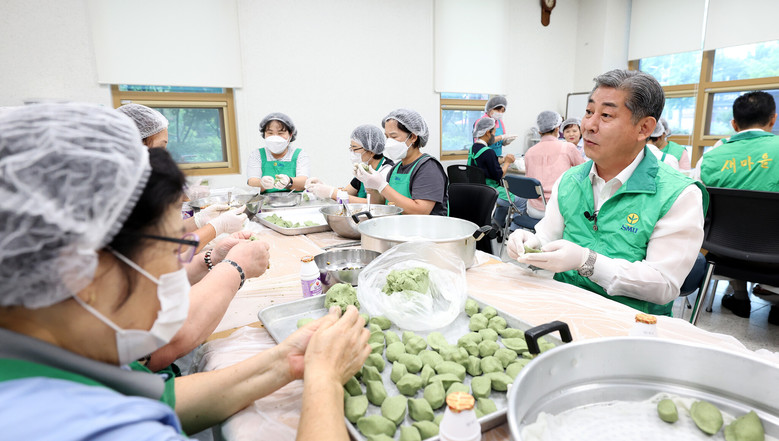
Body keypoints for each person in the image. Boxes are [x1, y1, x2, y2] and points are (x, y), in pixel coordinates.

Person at [0, 103, 370, 440]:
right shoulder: (89, 428)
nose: (179, 266)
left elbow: (158, 397)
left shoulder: (56, 352)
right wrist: (324, 381)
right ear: (81, 271)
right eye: (169, 248)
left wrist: (286, 362)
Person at [507, 69, 708, 316]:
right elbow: (548, 236)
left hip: (628, 322)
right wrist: (532, 243)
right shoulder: (570, 180)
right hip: (560, 309)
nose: (589, 126)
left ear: (644, 128)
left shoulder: (678, 195)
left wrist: (587, 261)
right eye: (589, 112)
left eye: (606, 115)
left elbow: (663, 284)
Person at [117, 103, 247, 252]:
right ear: (135, 144)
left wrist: (199, 221)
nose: (164, 155)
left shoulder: (136, 182)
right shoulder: (122, 192)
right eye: (161, 147)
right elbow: (164, 248)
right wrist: (216, 227)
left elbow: (164, 233)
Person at [699, 90, 779, 324]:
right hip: (775, 255)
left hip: (722, 251)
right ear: (773, 119)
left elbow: (697, 205)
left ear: (734, 124)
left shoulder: (711, 157)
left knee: (733, 225)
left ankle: (740, 296)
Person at [355, 108, 449, 216]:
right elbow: (383, 204)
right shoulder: (396, 168)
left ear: (413, 137)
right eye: (387, 137)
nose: (389, 142)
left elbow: (420, 211)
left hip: (424, 226)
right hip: (398, 225)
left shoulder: (428, 168)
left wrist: (382, 186)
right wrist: (370, 186)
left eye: (394, 136)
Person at [305, 124, 394, 204]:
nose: (352, 153)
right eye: (351, 149)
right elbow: (346, 192)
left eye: (355, 149)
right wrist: (323, 187)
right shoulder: (363, 169)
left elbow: (376, 203)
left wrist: (332, 193)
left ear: (371, 151)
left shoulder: (387, 170)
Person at [524, 111, 586, 219]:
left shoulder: (529, 152)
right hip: (558, 210)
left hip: (533, 210)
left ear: (539, 131)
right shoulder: (568, 147)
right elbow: (585, 171)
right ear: (558, 129)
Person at [468, 117, 526, 230]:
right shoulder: (489, 152)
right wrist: (507, 162)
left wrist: (503, 160)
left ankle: (496, 227)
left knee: (504, 203)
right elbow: (500, 175)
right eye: (494, 133)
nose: (494, 137)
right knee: (522, 202)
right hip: (491, 191)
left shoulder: (474, 148)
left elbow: (484, 163)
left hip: (477, 189)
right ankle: (513, 232)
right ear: (487, 133)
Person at [247, 112, 310, 193]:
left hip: (294, 199)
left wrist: (289, 181)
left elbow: (303, 182)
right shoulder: (257, 154)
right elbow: (251, 181)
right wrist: (261, 183)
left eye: (280, 133)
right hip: (265, 200)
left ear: (290, 135)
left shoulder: (299, 154)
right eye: (270, 133)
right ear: (264, 134)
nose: (275, 137)